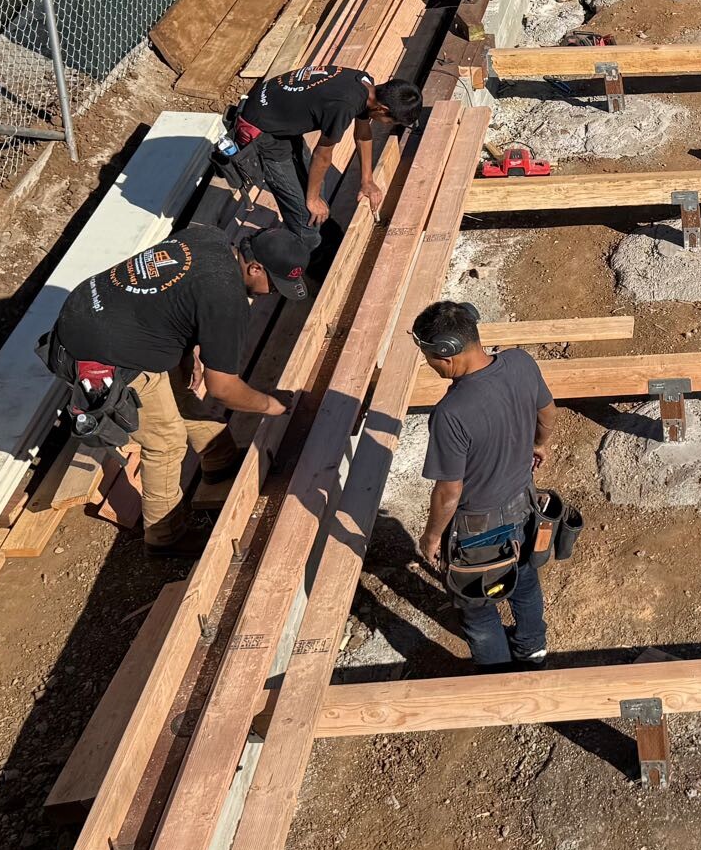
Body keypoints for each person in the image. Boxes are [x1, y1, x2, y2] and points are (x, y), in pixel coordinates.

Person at [49, 224, 312, 550]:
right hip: (102, 354)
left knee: (180, 391)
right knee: (166, 442)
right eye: (273, 285)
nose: (271, 293)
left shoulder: (208, 238)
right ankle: (165, 537)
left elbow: (171, 296)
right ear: (255, 268)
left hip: (90, 313)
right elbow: (223, 388)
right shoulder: (226, 297)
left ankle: (220, 461)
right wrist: (270, 405)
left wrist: (188, 354)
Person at [412, 299, 556, 669]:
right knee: (525, 580)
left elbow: (449, 491)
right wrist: (539, 443)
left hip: (477, 529)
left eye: (428, 358)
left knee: (476, 607)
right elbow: (547, 411)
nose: (429, 365)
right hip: (524, 505)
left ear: (446, 355)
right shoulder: (520, 363)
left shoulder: (451, 413)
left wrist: (431, 537)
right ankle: (532, 649)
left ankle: (496, 674)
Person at [223, 66, 421, 242]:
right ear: (382, 109)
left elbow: (362, 134)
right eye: (390, 121)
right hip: (262, 131)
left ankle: (320, 228)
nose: (386, 125)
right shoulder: (345, 104)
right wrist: (311, 200)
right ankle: (308, 251)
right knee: (304, 215)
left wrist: (367, 180)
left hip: (279, 113)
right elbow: (322, 156)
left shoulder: (365, 85)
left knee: (317, 185)